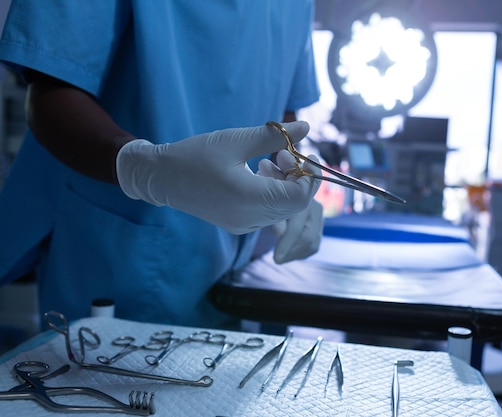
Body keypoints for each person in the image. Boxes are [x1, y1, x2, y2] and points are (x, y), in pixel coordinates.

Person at [0, 1, 323, 330]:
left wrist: (292, 172)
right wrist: (142, 168)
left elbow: (284, 111)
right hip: (117, 256)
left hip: (227, 269)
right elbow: (51, 90)